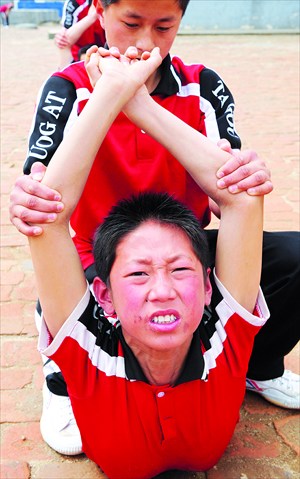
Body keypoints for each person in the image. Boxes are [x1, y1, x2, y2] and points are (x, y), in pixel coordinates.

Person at [9, 0, 300, 458]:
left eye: (164, 26)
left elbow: (231, 194)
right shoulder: (65, 89)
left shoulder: (203, 85)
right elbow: (46, 196)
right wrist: (108, 96)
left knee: (293, 259)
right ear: (99, 13)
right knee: (73, 280)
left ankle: (257, 361)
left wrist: (137, 102)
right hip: (102, 254)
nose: (146, 42)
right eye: (131, 23)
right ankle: (61, 376)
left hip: (185, 249)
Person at [55, 0, 105, 69]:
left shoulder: (116, 4)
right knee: (63, 41)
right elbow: (65, 38)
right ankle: (65, 74)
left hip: (109, 50)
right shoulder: (75, 2)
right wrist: (91, 17)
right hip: (80, 53)